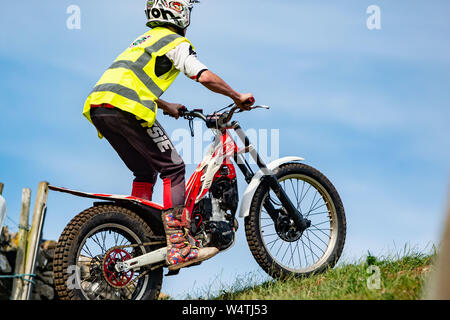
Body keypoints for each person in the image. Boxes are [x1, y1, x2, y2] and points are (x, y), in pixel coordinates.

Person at [82, 0, 255, 270]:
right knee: (173, 168)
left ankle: (137, 231)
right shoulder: (173, 41)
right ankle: (179, 246)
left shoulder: (143, 40)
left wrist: (166, 105)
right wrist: (237, 95)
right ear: (180, 12)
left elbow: (132, 81)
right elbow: (203, 76)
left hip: (100, 107)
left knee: (144, 172)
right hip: (128, 109)